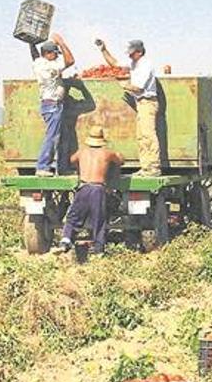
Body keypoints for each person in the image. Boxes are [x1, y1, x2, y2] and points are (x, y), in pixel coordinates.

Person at [96, 38, 160, 176]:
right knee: (141, 136)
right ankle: (146, 167)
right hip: (141, 103)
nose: (129, 55)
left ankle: (153, 167)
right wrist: (103, 49)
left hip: (147, 102)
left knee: (148, 135)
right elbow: (115, 64)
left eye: (132, 53)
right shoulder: (133, 63)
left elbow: (138, 88)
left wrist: (124, 85)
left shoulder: (145, 65)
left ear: (139, 52)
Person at [55, 126, 124, 255]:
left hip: (84, 187)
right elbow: (120, 161)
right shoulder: (107, 153)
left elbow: (72, 160)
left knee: (73, 216)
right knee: (99, 219)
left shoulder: (82, 152)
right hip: (98, 189)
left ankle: (66, 241)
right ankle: (98, 249)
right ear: (102, 139)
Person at [29, 33, 74, 177]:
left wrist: (31, 44)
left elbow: (35, 56)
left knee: (59, 136)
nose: (57, 56)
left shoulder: (39, 63)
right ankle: (43, 166)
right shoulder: (51, 67)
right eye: (55, 53)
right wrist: (61, 42)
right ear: (47, 54)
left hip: (48, 104)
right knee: (52, 136)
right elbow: (70, 61)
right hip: (53, 105)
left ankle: (62, 167)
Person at [56, 77, 96, 174]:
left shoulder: (59, 101)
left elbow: (90, 105)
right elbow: (90, 104)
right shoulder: (68, 102)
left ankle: (63, 167)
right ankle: (64, 168)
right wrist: (82, 88)